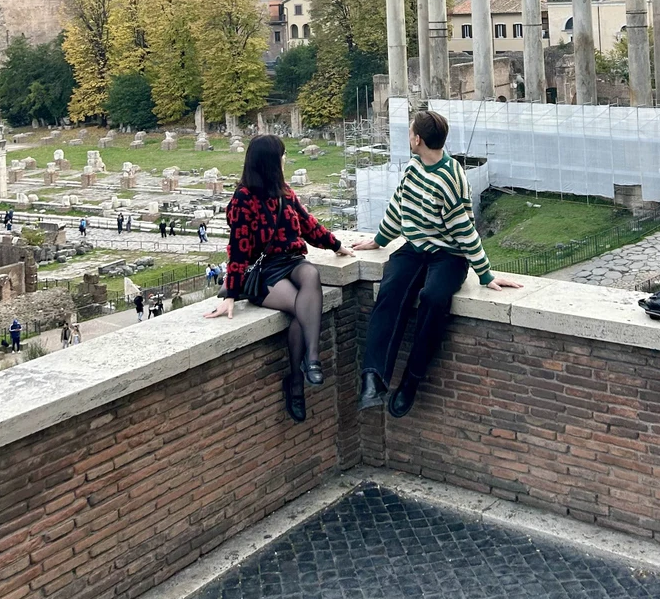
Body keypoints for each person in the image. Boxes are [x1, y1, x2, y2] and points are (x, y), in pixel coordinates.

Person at [352, 109, 523, 418]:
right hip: (415, 247)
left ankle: (411, 380)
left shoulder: (450, 177)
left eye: (409, 133)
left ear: (418, 139)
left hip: (450, 254)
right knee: (390, 290)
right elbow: (398, 205)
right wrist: (378, 240)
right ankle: (373, 377)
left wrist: (484, 274)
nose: (408, 137)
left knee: (433, 299)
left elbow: (464, 230)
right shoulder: (413, 168)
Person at [204, 134, 352, 423]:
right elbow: (238, 249)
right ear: (271, 161)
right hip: (265, 271)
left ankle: (310, 360)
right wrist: (231, 294)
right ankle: (297, 379)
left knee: (310, 273)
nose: (286, 159)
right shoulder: (243, 199)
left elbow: (309, 225)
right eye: (282, 155)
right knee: (301, 309)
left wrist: (336, 245)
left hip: (292, 261)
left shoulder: (285, 192)